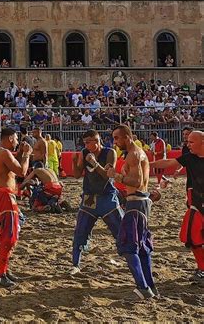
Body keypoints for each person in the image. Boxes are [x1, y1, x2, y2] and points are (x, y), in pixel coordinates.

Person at [107, 125, 157, 299]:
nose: (115, 142)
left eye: (117, 138)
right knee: (142, 247)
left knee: (128, 246)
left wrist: (116, 175)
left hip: (136, 204)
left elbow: (136, 181)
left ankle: (143, 288)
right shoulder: (137, 153)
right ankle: (150, 286)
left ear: (127, 137)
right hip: (141, 203)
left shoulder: (133, 154)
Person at [150, 130, 204, 285]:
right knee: (193, 238)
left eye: (191, 142)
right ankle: (202, 268)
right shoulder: (190, 158)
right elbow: (169, 163)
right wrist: (147, 164)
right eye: (187, 142)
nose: (188, 145)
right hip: (197, 205)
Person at [71, 129, 123, 275]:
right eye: (85, 143)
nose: (86, 145)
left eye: (89, 142)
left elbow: (107, 176)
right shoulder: (84, 152)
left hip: (107, 196)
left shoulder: (110, 152)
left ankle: (133, 260)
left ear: (97, 140)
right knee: (80, 231)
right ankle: (75, 264)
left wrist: (94, 163)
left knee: (121, 231)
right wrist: (75, 163)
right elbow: (76, 175)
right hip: (89, 197)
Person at [0, 128, 32, 287]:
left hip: (0, 194)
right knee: (10, 235)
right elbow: (21, 171)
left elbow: (12, 166)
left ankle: (4, 269)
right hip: (5, 196)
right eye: (15, 139)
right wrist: (26, 155)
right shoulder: (4, 153)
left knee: (6, 233)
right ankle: (0, 273)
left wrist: (20, 153)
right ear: (9, 138)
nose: (17, 142)